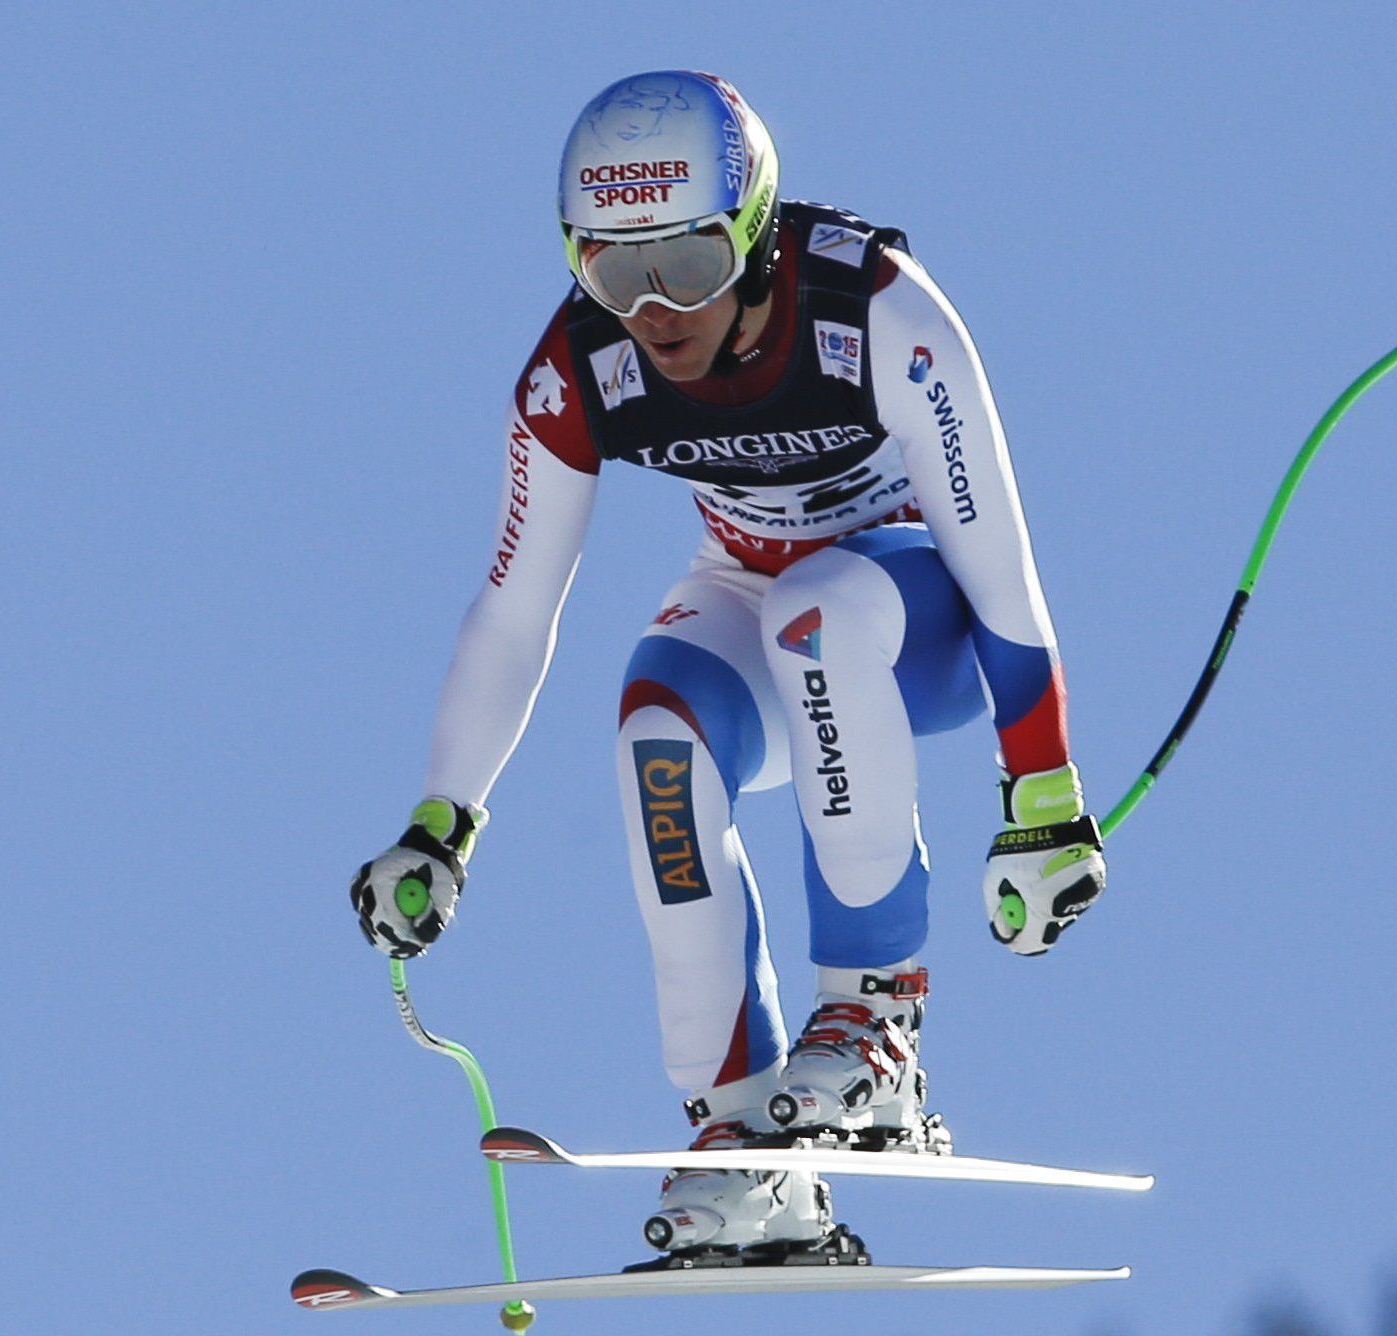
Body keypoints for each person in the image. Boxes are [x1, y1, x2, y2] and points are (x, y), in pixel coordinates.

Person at [353, 70, 1106, 1262]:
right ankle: (741, 1133)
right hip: (757, 591)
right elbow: (513, 610)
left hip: (920, 614)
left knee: (819, 606)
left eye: (688, 269)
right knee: (656, 726)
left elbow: (1004, 573)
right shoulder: (576, 371)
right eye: (613, 272)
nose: (655, 312)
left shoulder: (880, 316)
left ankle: (874, 1028)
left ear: (752, 239)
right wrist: (441, 823)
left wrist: (1043, 794)